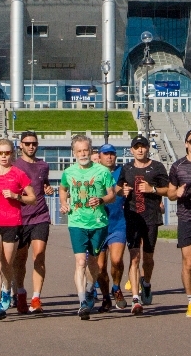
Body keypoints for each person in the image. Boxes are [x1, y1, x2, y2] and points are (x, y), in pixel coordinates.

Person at [139, 127, 191, 317]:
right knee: (189, 262)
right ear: (186, 144)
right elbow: (170, 192)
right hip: (186, 219)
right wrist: (176, 194)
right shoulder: (178, 166)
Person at [0, 138, 37, 320]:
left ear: (12, 154)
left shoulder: (18, 174)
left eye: (7, 153)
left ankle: (6, 289)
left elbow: (32, 198)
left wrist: (16, 195)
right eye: (0, 153)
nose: (4, 156)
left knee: (7, 264)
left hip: (12, 223)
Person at [59, 134, 116, 320]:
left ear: (91, 151)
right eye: (79, 151)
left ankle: (91, 289)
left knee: (95, 263)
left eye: (86, 150)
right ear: (74, 152)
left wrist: (100, 199)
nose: (83, 154)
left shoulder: (102, 172)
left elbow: (112, 195)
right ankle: (82, 302)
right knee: (80, 262)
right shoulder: (69, 172)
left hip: (98, 223)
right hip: (76, 222)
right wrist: (63, 202)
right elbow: (63, 188)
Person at [118, 135, 169, 315]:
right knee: (134, 257)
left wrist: (152, 189)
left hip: (151, 217)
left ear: (148, 149)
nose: (140, 150)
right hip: (132, 216)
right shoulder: (127, 168)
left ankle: (146, 283)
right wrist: (121, 190)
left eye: (143, 146)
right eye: (136, 147)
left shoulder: (157, 167)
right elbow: (117, 187)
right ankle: (135, 298)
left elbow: (169, 190)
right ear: (131, 150)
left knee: (147, 258)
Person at [11, 130, 55, 314]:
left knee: (39, 255)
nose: (31, 146)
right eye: (27, 143)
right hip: (19, 217)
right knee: (20, 259)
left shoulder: (43, 166)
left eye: (34, 143)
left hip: (40, 216)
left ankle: (36, 297)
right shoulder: (14, 166)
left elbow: (43, 186)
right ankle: (20, 292)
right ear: (21, 145)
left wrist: (48, 189)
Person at [96, 143, 128, 311]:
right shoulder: (94, 172)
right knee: (100, 267)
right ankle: (106, 297)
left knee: (116, 260)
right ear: (99, 156)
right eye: (105, 154)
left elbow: (129, 188)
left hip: (118, 223)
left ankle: (116, 287)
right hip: (98, 224)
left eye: (112, 154)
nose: (109, 157)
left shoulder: (122, 172)